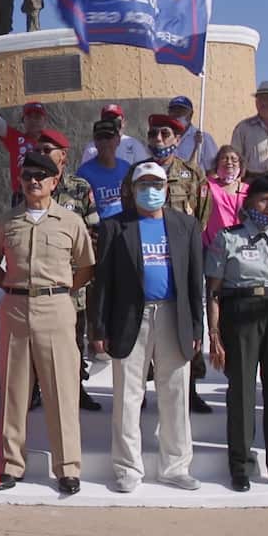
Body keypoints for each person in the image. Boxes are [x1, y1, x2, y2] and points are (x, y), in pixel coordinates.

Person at [0, 151, 95, 495]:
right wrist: (10, 286)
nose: (34, 181)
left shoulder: (70, 221)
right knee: (13, 390)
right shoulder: (7, 222)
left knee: (62, 390)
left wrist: (61, 291)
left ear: (54, 181)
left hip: (56, 307)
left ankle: (67, 468)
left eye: (41, 176)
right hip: (16, 308)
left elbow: (86, 266)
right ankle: (11, 464)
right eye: (28, 176)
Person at [95, 162, 205, 493]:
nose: (151, 191)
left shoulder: (186, 225)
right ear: (132, 189)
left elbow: (194, 280)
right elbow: (103, 283)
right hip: (131, 317)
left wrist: (196, 328)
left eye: (156, 184)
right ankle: (128, 468)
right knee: (128, 396)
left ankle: (175, 466)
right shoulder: (115, 226)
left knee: (176, 392)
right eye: (143, 185)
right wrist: (99, 329)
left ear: (167, 188)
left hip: (173, 315)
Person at [205, 176, 268, 492]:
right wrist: (214, 333)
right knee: (241, 393)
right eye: (265, 200)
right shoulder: (228, 238)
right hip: (241, 314)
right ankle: (241, 466)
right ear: (249, 204)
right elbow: (213, 290)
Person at [143, 114, 212, 412]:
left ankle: (190, 389)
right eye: (153, 134)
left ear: (178, 139)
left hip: (182, 259)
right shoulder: (138, 173)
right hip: (149, 257)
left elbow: (202, 217)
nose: (158, 139)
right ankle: (141, 390)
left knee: (187, 321)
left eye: (165, 134)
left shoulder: (193, 174)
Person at [40, 129, 102, 412]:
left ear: (62, 156)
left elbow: (95, 231)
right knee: (38, 340)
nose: (41, 154)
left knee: (74, 339)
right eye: (39, 150)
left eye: (47, 150)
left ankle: (76, 389)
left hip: (72, 281)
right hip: (39, 279)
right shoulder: (28, 186)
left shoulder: (79, 187)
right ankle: (36, 390)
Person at [0, 69, 49, 202]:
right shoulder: (15, 139)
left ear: (45, 120)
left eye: (37, 117)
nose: (33, 120)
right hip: (21, 196)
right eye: (29, 117)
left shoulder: (50, 143)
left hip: (46, 195)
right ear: (23, 120)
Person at [77, 119, 132, 219]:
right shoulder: (84, 173)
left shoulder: (126, 168)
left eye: (108, 137)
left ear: (118, 140)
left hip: (126, 224)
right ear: (95, 142)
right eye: (99, 138)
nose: (104, 142)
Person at [203, 146, 248, 248]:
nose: (229, 162)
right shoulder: (207, 185)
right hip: (212, 245)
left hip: (239, 245)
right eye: (224, 158)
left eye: (234, 159)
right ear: (217, 163)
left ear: (240, 164)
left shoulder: (247, 190)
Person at [78, 104, 148, 166]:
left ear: (123, 122)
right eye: (108, 120)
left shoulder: (135, 145)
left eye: (116, 120)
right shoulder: (92, 147)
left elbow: (143, 171)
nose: (113, 124)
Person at [169, 96, 218, 172]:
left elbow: (213, 170)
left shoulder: (204, 138)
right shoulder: (163, 138)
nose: (176, 114)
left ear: (191, 114)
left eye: (181, 111)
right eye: (173, 111)